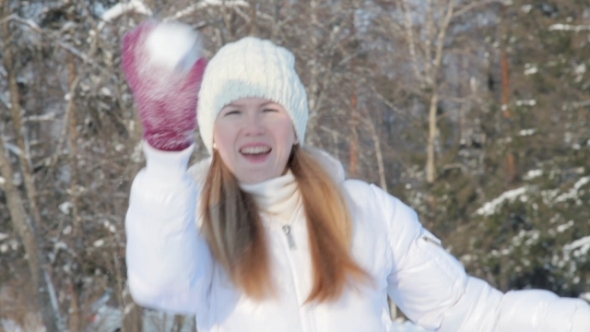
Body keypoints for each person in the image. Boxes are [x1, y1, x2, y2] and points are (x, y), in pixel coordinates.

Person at [122, 21, 590, 332]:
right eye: (233, 112)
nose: (253, 126)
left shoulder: (366, 211)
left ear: (295, 127)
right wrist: (165, 157)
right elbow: (161, 284)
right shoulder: (197, 220)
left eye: (270, 109)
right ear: (212, 136)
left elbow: (468, 313)